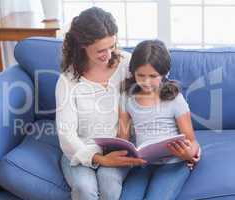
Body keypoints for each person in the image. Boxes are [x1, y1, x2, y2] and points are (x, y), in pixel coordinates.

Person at [55, 7, 147, 200]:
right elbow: (67, 135)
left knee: (109, 185)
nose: (108, 54)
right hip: (81, 148)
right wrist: (100, 159)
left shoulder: (127, 64)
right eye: (100, 50)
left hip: (120, 147)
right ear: (82, 46)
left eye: (111, 46)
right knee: (84, 189)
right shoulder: (68, 80)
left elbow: (154, 93)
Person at [118, 39, 201, 200]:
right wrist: (124, 152)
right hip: (142, 163)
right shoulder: (126, 98)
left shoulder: (175, 99)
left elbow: (191, 140)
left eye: (153, 76)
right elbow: (123, 138)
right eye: (140, 75)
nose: (146, 82)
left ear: (165, 73)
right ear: (132, 71)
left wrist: (188, 154)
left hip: (173, 163)